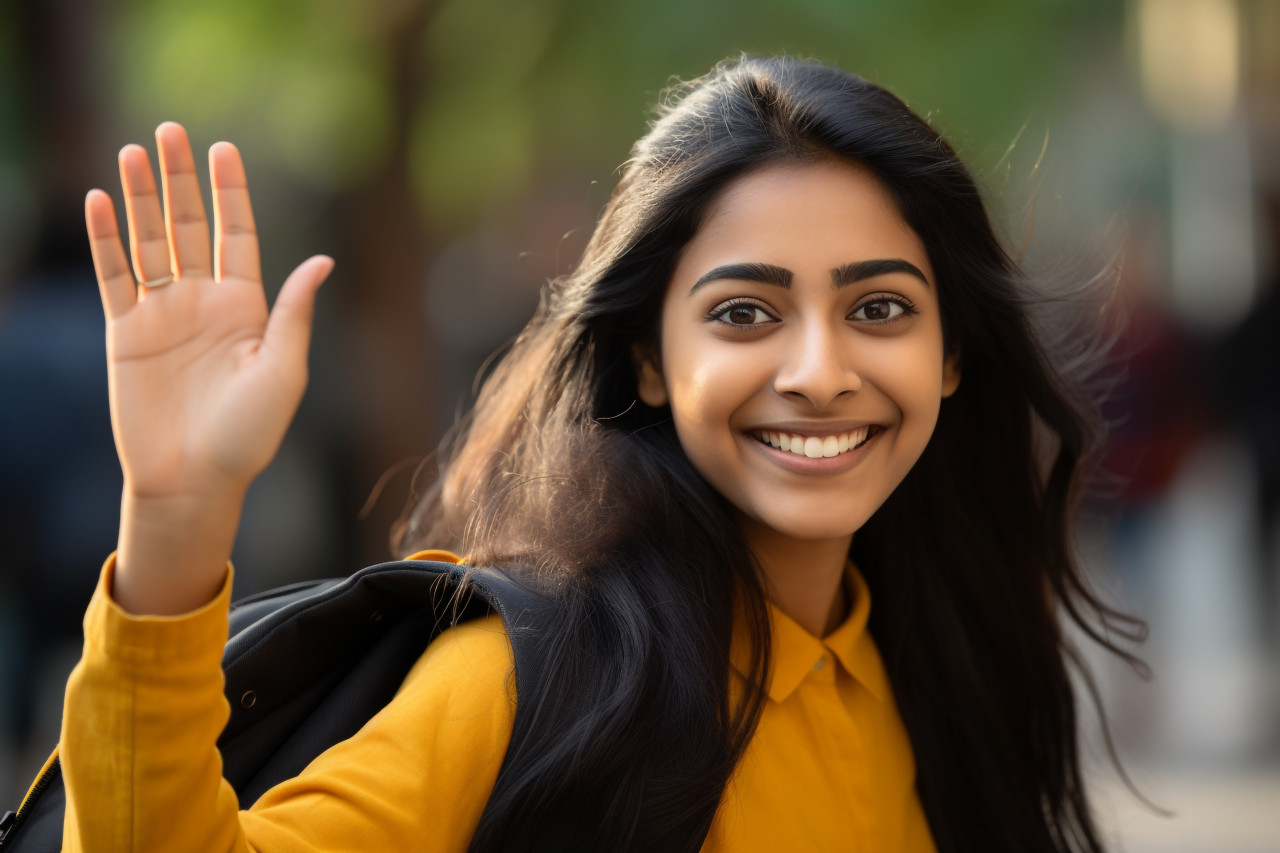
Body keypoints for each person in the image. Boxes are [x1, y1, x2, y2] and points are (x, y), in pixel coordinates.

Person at [56, 55, 1142, 851]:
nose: (818, 369)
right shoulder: (542, 678)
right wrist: (176, 508)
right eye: (744, 314)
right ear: (648, 361)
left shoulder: (943, 669)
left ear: (951, 354)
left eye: (877, 306)